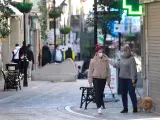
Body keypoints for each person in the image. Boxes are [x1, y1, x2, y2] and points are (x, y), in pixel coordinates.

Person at [109, 44, 138, 113]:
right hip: (122, 78)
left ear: (127, 51)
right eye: (122, 51)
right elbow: (117, 65)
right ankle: (125, 108)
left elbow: (133, 69)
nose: (122, 52)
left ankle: (135, 107)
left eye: (123, 51)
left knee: (131, 93)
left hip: (130, 79)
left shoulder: (131, 59)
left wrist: (133, 78)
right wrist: (111, 62)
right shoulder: (121, 58)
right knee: (123, 93)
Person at [88, 44, 111, 114]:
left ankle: (100, 105)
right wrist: (90, 81)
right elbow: (90, 71)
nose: (101, 53)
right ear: (96, 52)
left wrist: (108, 80)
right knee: (97, 93)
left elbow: (108, 70)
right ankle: (99, 107)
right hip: (96, 78)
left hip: (103, 78)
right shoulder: (93, 61)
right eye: (99, 51)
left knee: (101, 93)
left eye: (101, 51)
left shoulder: (106, 60)